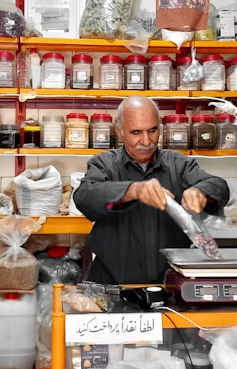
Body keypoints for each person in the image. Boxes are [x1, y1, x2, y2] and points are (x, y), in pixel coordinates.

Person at [73, 96, 229, 285]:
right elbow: (85, 197)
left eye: (152, 130)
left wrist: (201, 191)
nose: (146, 141)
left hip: (171, 284)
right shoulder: (104, 164)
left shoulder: (179, 165)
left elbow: (219, 186)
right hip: (112, 284)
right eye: (136, 132)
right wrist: (132, 190)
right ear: (119, 132)